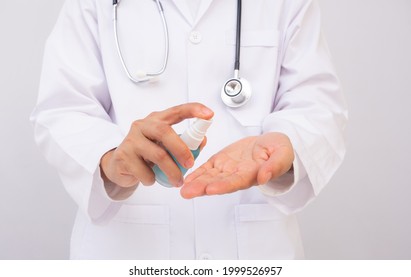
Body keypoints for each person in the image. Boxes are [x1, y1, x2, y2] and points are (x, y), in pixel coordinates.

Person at [30, 0, 347, 259]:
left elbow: (318, 104)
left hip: (256, 253)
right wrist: (111, 157)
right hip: (126, 251)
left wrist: (288, 142)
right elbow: (62, 109)